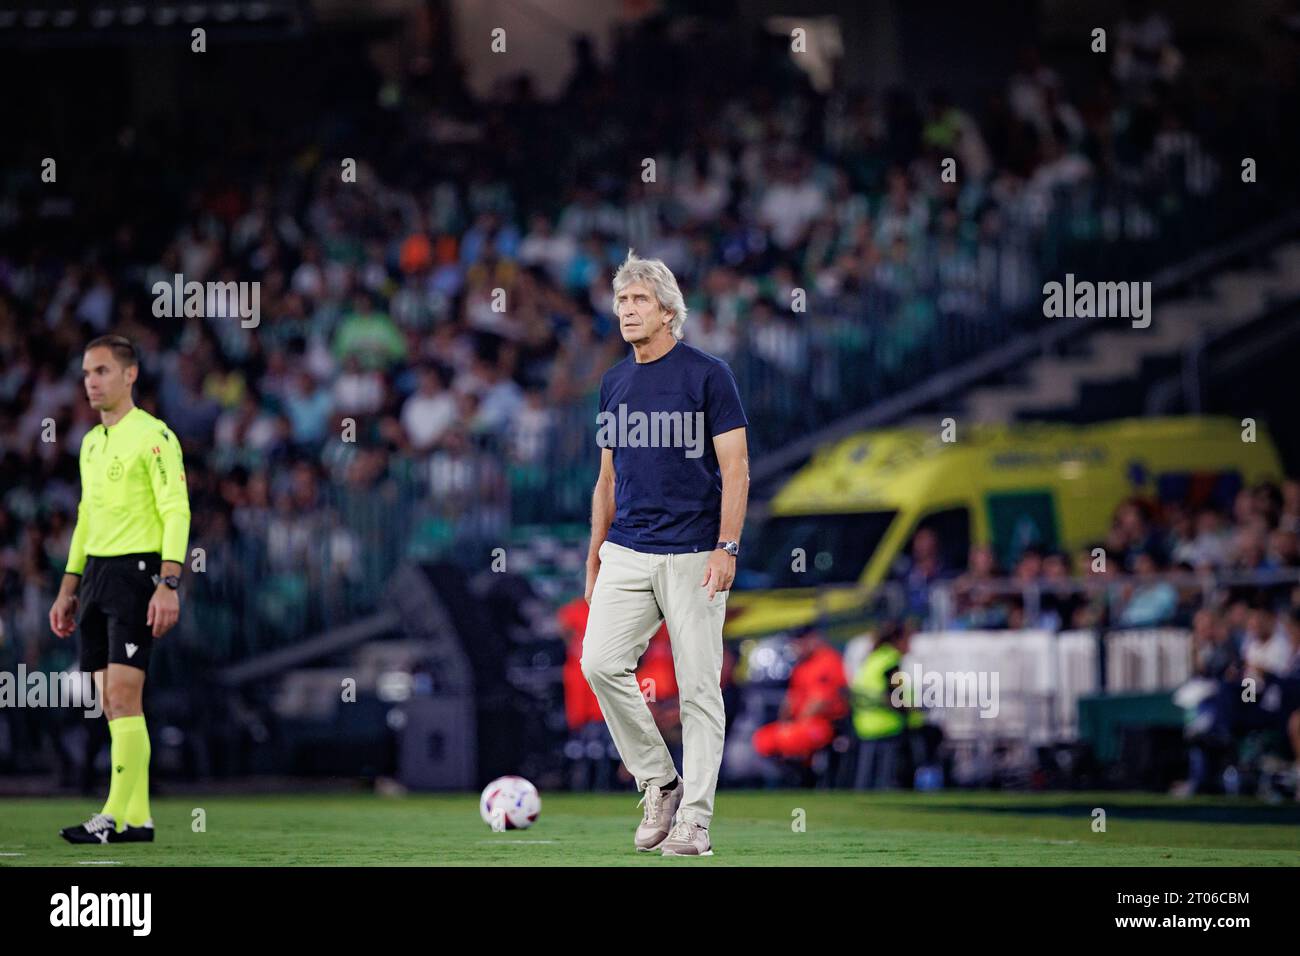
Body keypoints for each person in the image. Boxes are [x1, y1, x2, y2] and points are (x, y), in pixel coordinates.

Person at [581, 251, 749, 857]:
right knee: (598, 663)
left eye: (640, 300)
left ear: (668, 310)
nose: (627, 310)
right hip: (627, 548)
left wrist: (728, 546)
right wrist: (594, 555)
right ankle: (660, 781)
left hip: (696, 551)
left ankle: (695, 821)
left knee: (699, 689)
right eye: (622, 300)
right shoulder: (613, 381)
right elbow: (606, 479)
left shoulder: (708, 375)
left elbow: (737, 470)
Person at [48, 335, 191, 844]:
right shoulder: (90, 442)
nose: (92, 381)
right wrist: (68, 588)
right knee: (111, 701)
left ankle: (110, 815)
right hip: (97, 577)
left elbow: (176, 509)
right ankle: (139, 819)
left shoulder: (154, 436)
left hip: (136, 574)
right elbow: (87, 518)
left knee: (125, 697)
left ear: (130, 376)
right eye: (87, 372)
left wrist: (168, 583)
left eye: (103, 371)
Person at [752, 626, 849, 763]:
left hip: (825, 724)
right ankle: (792, 778)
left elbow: (820, 701)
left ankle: (806, 776)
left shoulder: (828, 660)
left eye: (800, 641)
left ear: (813, 639)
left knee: (792, 737)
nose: (796, 646)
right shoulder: (801, 666)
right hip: (800, 723)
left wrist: (795, 726)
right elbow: (791, 699)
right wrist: (785, 722)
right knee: (763, 738)